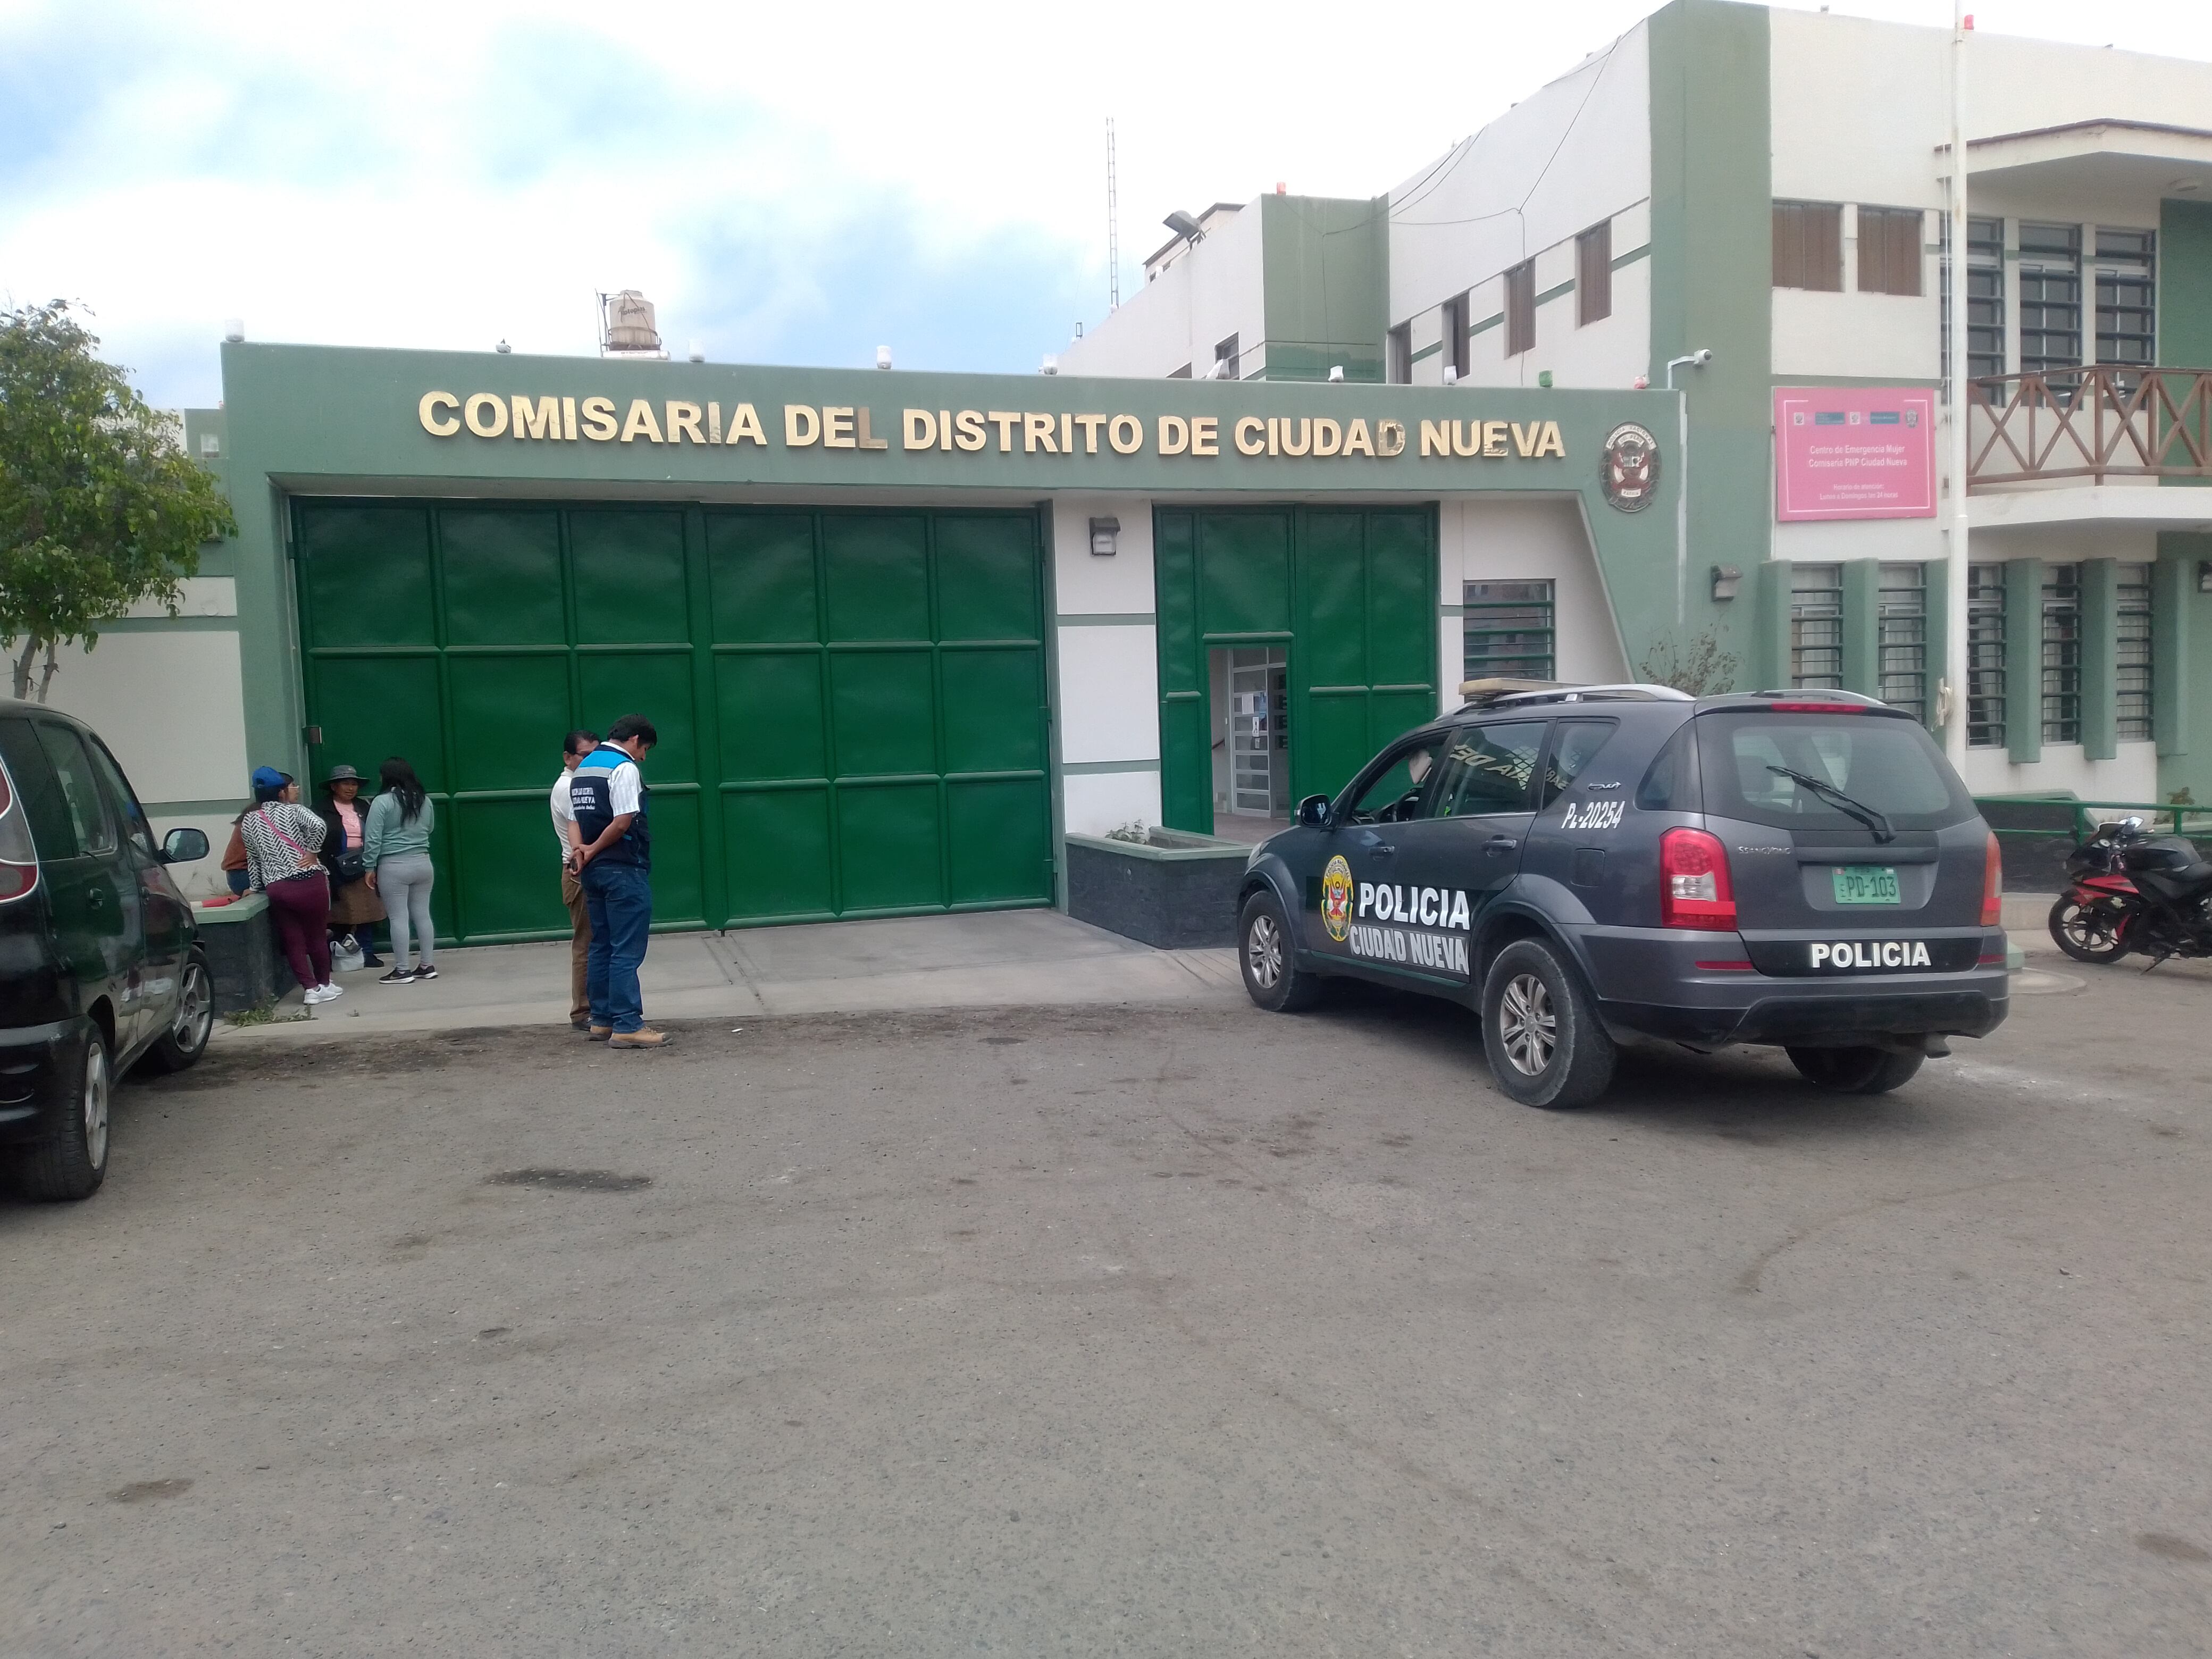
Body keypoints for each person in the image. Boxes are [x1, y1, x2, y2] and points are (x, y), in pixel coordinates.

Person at [569, 714, 663, 1048]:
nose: (644, 756)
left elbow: (574, 819)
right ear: (635, 739)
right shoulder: (623, 769)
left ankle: (602, 1020)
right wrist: (594, 849)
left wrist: (582, 852)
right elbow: (623, 821)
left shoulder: (584, 769)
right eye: (646, 748)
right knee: (626, 949)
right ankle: (627, 1025)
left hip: (594, 874)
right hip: (623, 868)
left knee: (602, 946)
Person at [238, 766, 343, 1006]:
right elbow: (319, 826)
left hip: (278, 888)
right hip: (309, 883)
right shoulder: (295, 811)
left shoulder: (249, 821)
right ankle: (325, 984)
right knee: (316, 936)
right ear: (282, 792)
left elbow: (253, 858)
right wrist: (313, 851)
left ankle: (310, 989)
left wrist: (255, 886)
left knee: (293, 939)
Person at [363, 756, 438, 984]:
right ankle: (427, 965)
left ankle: (402, 970)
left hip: (394, 865)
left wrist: (369, 866)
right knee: (422, 914)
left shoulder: (382, 802)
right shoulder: (425, 801)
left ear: (387, 776)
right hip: (423, 863)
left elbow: (373, 837)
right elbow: (430, 828)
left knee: (398, 918)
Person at [551, 730, 599, 1031]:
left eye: (595, 754)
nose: (590, 760)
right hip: (577, 870)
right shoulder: (568, 788)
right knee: (586, 943)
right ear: (568, 757)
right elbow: (579, 832)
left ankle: (595, 1006)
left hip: (585, 868)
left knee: (596, 941)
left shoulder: (581, 784)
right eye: (584, 755)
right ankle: (582, 1011)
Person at [316, 763, 385, 968]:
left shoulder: (364, 807)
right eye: (345, 783)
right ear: (334, 786)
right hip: (335, 866)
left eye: (354, 784)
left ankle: (367, 953)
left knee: (366, 912)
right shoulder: (321, 809)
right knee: (339, 914)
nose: (350, 788)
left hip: (363, 865)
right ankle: (339, 954)